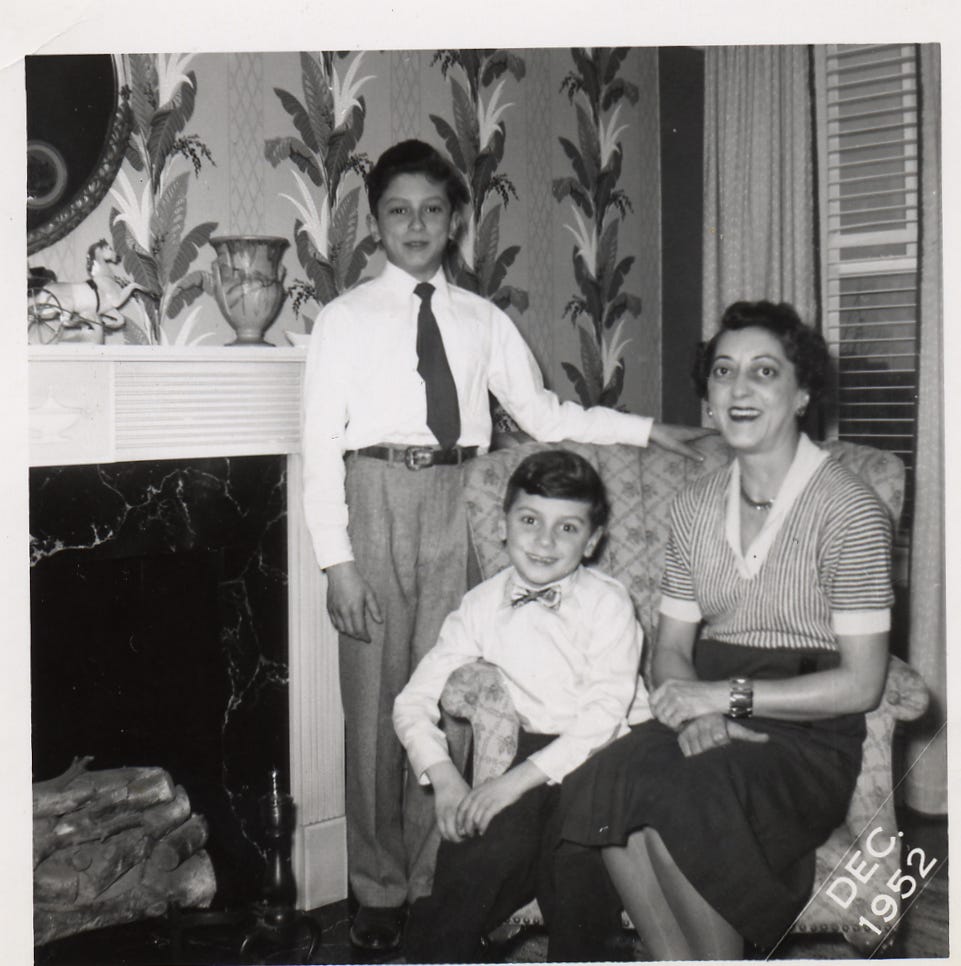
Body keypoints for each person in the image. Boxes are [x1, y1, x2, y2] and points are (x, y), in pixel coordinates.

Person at [301, 138, 703, 952]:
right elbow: (317, 446)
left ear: (455, 221)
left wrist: (646, 429)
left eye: (432, 210)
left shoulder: (482, 320)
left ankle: (433, 877)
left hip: (464, 498)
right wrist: (337, 563)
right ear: (375, 224)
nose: (416, 224)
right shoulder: (343, 319)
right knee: (377, 705)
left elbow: (545, 413)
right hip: (373, 495)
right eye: (397, 211)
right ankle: (377, 888)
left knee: (454, 693)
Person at [552, 300, 894, 960]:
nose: (738, 389)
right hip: (703, 705)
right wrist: (697, 712)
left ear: (802, 392)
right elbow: (671, 650)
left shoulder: (850, 509)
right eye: (722, 371)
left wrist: (723, 699)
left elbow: (861, 684)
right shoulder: (693, 506)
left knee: (685, 797)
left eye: (764, 371)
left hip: (804, 731)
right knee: (610, 779)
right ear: (707, 398)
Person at [393, 449, 648, 963]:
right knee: (476, 856)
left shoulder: (608, 602)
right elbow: (411, 701)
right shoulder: (480, 604)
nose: (545, 541)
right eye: (530, 520)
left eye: (567, 528)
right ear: (503, 525)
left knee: (573, 864)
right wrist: (445, 778)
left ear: (592, 541)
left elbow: (604, 717)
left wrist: (511, 784)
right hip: (530, 747)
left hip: (612, 752)